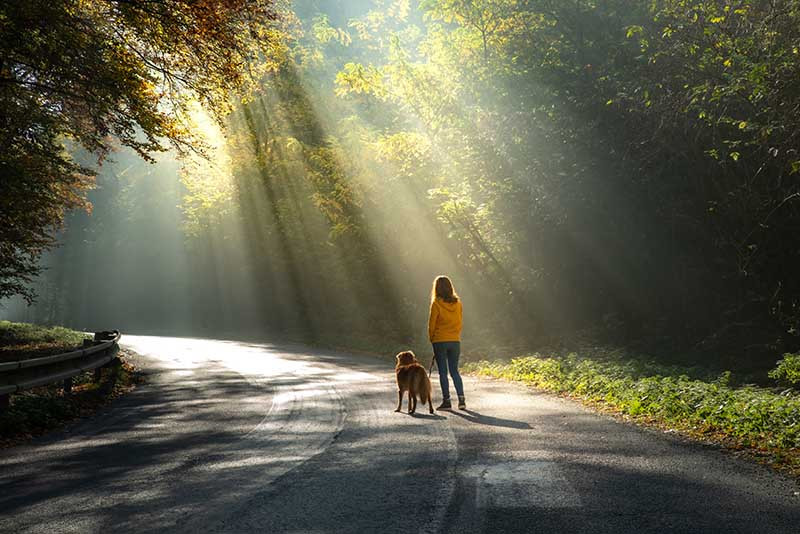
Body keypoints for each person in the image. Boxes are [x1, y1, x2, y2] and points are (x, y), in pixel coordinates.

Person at [428, 275, 465, 410]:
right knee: (455, 371)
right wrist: (455, 335)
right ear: (450, 287)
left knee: (443, 372)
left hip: (440, 340)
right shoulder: (458, 303)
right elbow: (460, 322)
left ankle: (447, 401)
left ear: (436, 288)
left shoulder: (436, 303)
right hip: (455, 341)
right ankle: (461, 400)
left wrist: (432, 338)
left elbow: (432, 325)